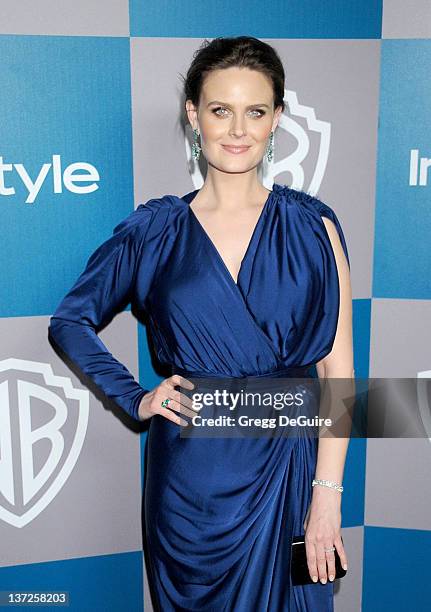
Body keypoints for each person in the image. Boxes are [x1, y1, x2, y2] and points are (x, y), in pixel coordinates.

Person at [48, 36, 353, 612]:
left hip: (290, 473)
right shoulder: (154, 232)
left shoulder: (316, 230)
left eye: (255, 111)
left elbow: (338, 375)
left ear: (277, 118)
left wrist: (327, 499)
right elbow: (70, 320)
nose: (238, 130)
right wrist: (134, 398)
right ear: (194, 116)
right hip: (191, 488)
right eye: (220, 110)